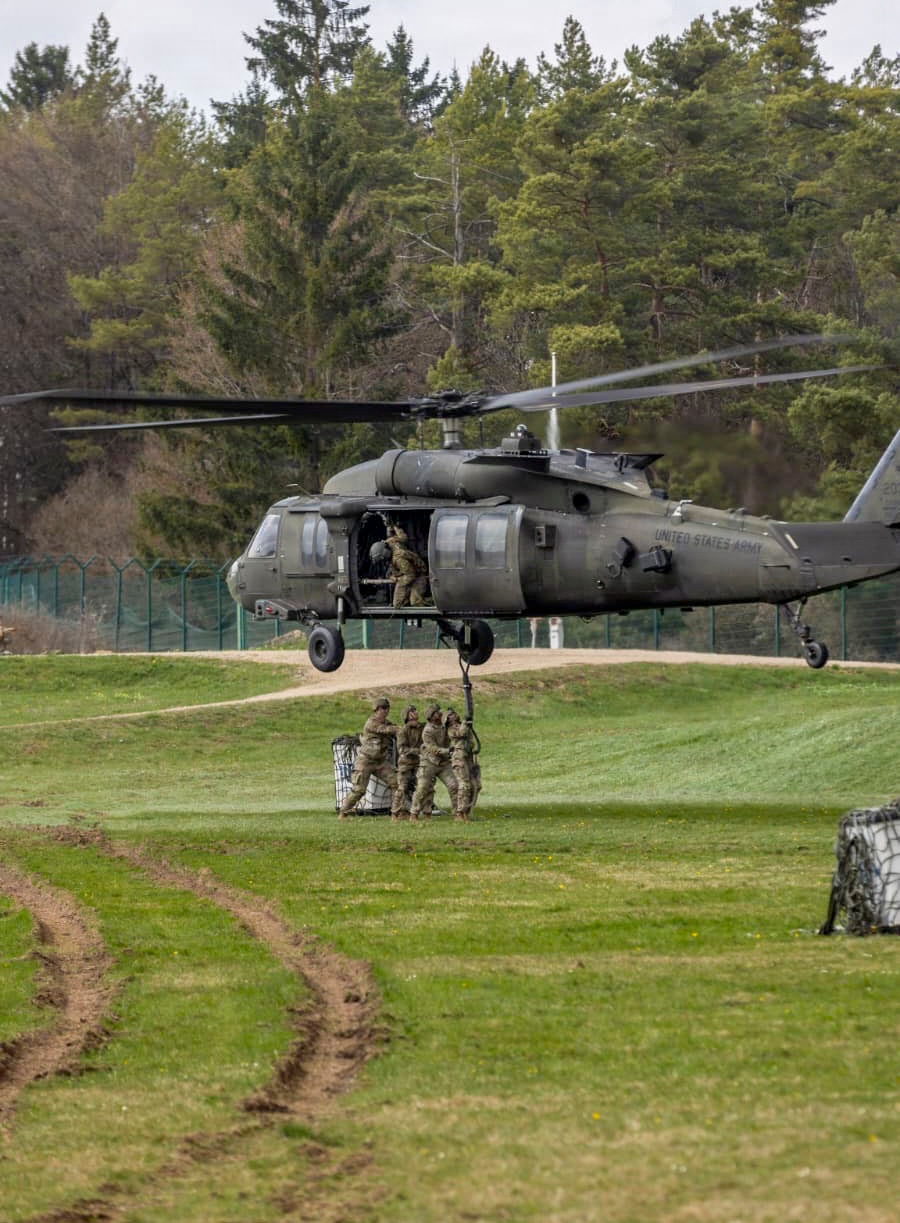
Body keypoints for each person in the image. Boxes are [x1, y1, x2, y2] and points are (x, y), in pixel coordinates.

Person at [338, 697, 398, 818]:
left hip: (380, 762)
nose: (386, 711)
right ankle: (343, 813)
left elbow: (393, 728)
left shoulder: (387, 722)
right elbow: (385, 730)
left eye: (387, 708)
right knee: (359, 790)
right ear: (376, 710)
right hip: (365, 761)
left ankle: (396, 813)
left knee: (396, 783)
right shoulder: (371, 723)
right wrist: (399, 729)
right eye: (383, 708)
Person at [409, 703, 458, 820]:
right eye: (437, 712)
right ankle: (414, 813)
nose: (440, 713)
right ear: (431, 716)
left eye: (440, 711)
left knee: (454, 786)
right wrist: (447, 751)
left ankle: (458, 813)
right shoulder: (427, 731)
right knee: (422, 788)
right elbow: (433, 749)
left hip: (443, 763)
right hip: (429, 763)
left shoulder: (444, 726)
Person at [445, 708, 482, 822]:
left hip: (469, 757)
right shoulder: (451, 729)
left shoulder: (464, 725)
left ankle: (468, 811)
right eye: (450, 715)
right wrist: (465, 723)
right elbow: (461, 733)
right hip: (459, 758)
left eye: (454, 713)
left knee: (476, 785)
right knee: (464, 785)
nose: (454, 715)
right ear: (447, 720)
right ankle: (460, 812)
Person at [385, 524, 429, 608]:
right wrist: (396, 528)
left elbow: (410, 576)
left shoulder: (399, 559)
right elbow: (403, 537)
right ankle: (406, 599)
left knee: (415, 602)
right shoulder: (391, 542)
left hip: (418, 576)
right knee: (400, 603)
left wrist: (397, 579)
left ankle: (432, 602)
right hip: (407, 574)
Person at [391, 703, 423, 821]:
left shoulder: (421, 728)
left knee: (421, 786)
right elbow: (402, 749)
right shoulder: (402, 731)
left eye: (415, 712)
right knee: (402, 788)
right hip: (405, 763)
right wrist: (417, 750)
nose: (415, 714)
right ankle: (395, 812)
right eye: (412, 713)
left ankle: (415, 812)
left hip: (418, 762)